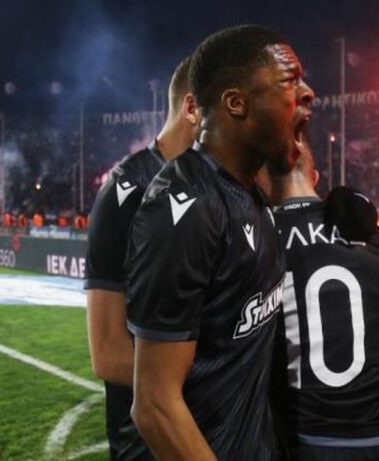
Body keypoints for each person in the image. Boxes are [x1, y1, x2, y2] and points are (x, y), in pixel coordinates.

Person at [125, 25, 314, 460]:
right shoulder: (183, 208)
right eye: (290, 80)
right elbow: (154, 405)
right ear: (235, 103)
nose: (308, 92)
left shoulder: (250, 195)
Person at [259, 142, 379, 461]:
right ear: (315, 177)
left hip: (303, 441)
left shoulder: (260, 239)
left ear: (259, 177)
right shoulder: (372, 235)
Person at [84, 56, 198, 460]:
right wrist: (219, 379)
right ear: (192, 107)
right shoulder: (126, 190)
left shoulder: (221, 189)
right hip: (144, 445)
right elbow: (107, 352)